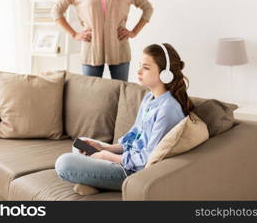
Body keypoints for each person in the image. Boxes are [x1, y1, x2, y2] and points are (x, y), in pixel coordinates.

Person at [55, 43, 194, 193]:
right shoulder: (149, 98)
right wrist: (105, 148)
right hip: (127, 160)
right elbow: (134, 138)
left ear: (165, 74)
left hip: (134, 172)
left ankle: (96, 180)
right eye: (140, 65)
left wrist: (109, 157)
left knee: (64, 163)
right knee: (80, 144)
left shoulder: (168, 110)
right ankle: (96, 181)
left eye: (146, 68)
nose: (139, 70)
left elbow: (147, 160)